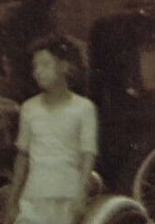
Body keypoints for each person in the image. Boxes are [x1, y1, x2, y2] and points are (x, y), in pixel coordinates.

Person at [5, 36, 99, 224]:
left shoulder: (84, 108)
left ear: (64, 67)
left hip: (67, 197)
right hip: (34, 197)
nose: (38, 72)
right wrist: (12, 200)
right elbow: (22, 157)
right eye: (35, 67)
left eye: (45, 65)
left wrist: (81, 196)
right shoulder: (29, 108)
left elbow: (88, 155)